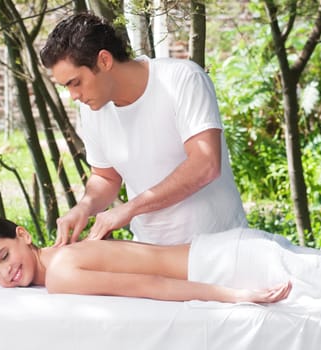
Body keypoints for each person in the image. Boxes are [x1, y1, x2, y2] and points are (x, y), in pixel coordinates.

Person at [39, 13, 248, 246]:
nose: (74, 96)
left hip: (220, 247)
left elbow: (205, 165)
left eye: (75, 82)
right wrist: (84, 207)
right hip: (150, 253)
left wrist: (130, 209)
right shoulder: (92, 110)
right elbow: (106, 176)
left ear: (104, 61)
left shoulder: (181, 79)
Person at [0, 216, 291, 304]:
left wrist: (235, 295)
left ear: (23, 235)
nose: (7, 271)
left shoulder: (61, 275)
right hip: (218, 251)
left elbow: (148, 285)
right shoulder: (66, 252)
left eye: (5, 255)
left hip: (225, 267)